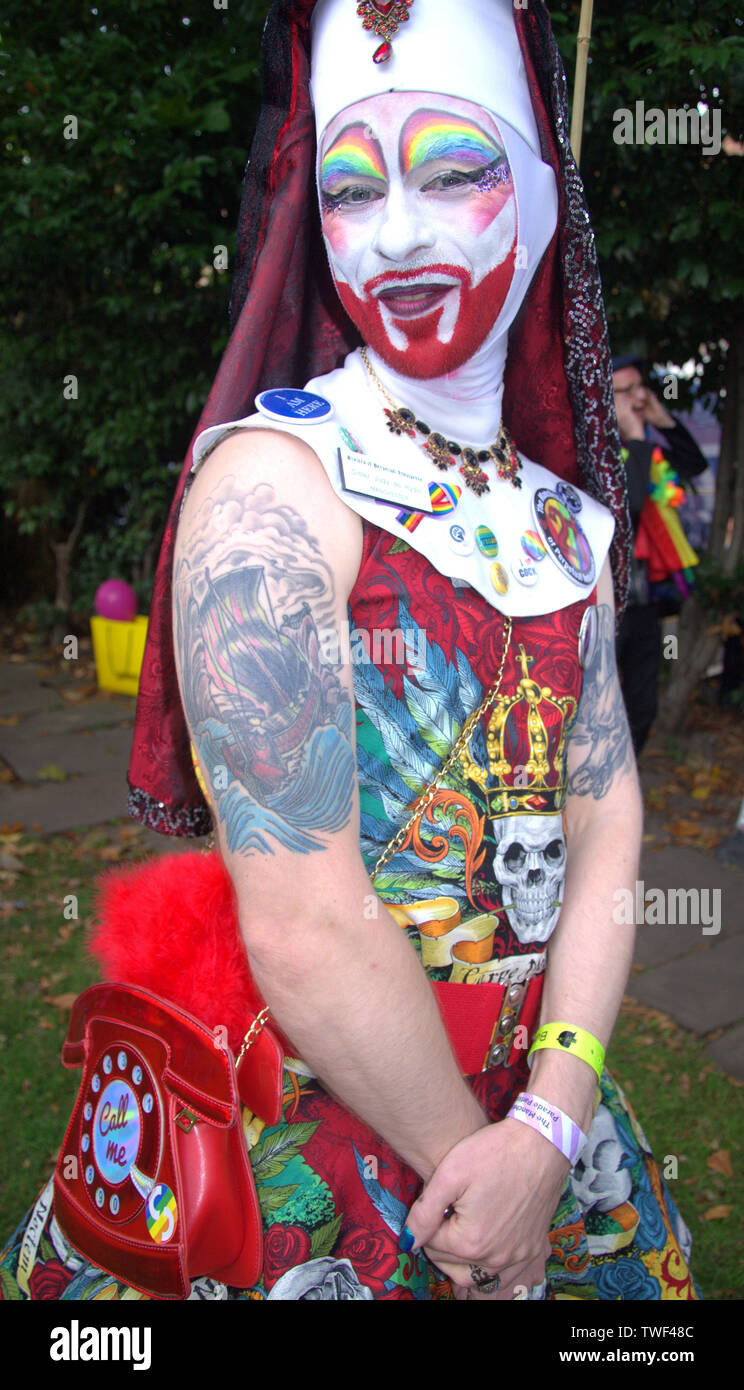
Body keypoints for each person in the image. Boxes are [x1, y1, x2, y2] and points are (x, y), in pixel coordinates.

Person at [1, 0, 697, 1301]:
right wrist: (484, 1197)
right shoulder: (270, 498)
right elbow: (309, 926)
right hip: (315, 1166)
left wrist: (550, 1121)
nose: (402, 235)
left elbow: (609, 817)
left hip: (533, 1126)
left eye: (456, 167)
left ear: (545, 192)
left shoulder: (565, 517)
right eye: (351, 184)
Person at [613, 353, 708, 754]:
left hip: (646, 606)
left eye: (642, 389)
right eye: (626, 391)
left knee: (641, 709)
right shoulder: (596, 454)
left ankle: (625, 799)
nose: (638, 399)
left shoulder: (646, 454)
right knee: (605, 711)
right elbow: (630, 503)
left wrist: (662, 420)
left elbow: (693, 462)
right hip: (608, 609)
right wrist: (634, 436)